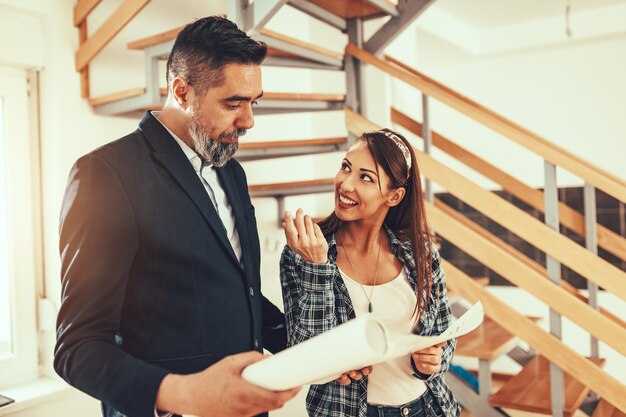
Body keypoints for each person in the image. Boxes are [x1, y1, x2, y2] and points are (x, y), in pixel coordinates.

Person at [54, 16, 300, 417]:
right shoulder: (105, 175)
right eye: (233, 103)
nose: (249, 121)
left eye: (254, 102)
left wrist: (319, 354)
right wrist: (182, 394)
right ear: (181, 91)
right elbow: (77, 346)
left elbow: (242, 295)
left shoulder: (231, 171)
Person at [280, 129, 460, 417]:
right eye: (345, 167)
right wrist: (318, 268)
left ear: (394, 195)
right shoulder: (304, 253)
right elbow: (308, 360)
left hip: (428, 408)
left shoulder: (419, 250)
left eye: (366, 177)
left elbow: (444, 332)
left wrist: (434, 359)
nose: (346, 184)